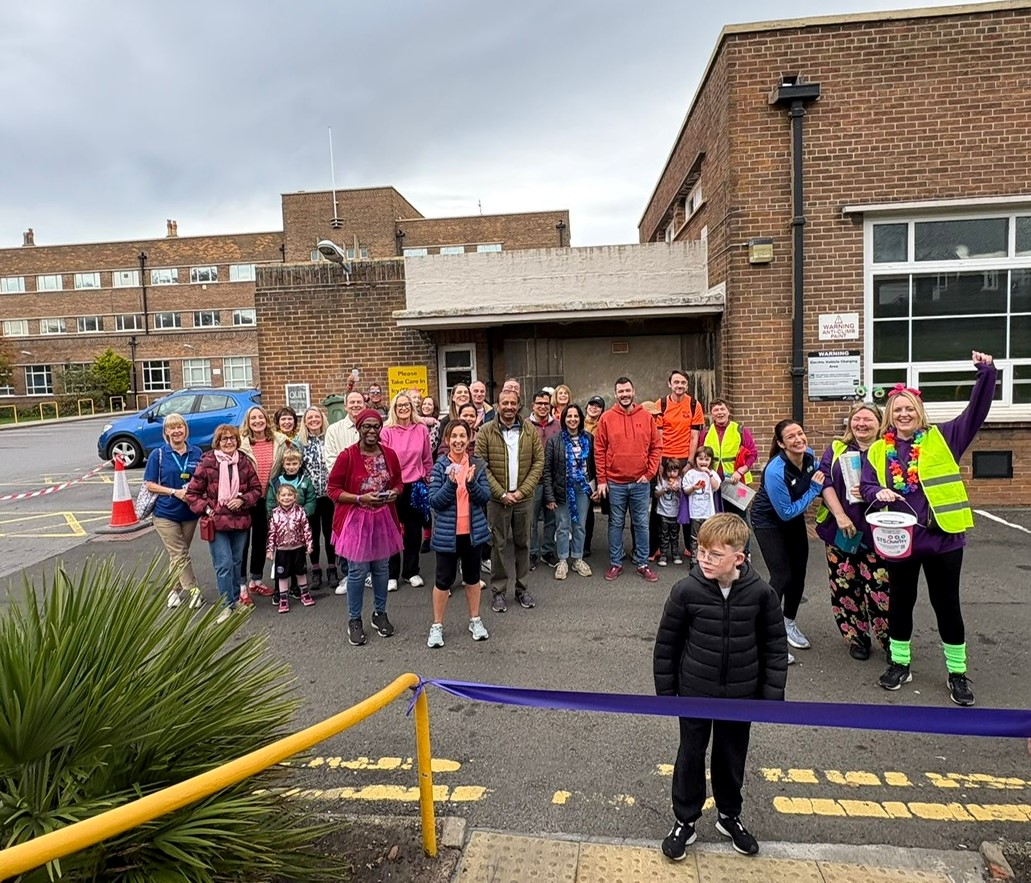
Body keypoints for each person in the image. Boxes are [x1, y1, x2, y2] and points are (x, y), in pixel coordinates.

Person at [862, 352, 997, 706]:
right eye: (897, 410)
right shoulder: (879, 450)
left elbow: (976, 412)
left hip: (943, 538)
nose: (903, 415)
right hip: (900, 541)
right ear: (889, 416)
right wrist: (879, 491)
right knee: (900, 603)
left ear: (919, 412)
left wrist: (987, 373)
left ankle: (956, 672)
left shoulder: (945, 437)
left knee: (947, 605)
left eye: (909, 409)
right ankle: (900, 663)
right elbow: (865, 486)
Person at [653, 514, 788, 860]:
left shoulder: (761, 593)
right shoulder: (686, 590)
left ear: (738, 559)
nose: (704, 559)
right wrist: (667, 695)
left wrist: (771, 697)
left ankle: (730, 816)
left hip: (742, 695)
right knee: (690, 755)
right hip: (695, 692)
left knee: (731, 757)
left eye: (714, 554)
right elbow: (667, 645)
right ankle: (685, 820)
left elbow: (775, 646)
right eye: (701, 551)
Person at [815, 402, 890, 662]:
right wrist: (840, 515)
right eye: (856, 419)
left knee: (881, 589)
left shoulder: (888, 449)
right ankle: (857, 637)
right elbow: (825, 480)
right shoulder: (837, 448)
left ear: (880, 423)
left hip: (878, 532)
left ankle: (889, 640)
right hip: (841, 530)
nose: (861, 424)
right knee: (845, 586)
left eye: (868, 419)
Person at [328, 408, 404, 647]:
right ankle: (354, 619)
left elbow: (399, 483)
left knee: (382, 569)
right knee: (358, 572)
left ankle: (379, 614)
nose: (372, 431)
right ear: (359, 429)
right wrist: (360, 499)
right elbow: (333, 490)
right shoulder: (347, 456)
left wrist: (395, 492)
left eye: (376, 426)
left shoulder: (389, 454)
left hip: (383, 518)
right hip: (356, 520)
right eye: (367, 426)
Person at [751, 420, 826, 661]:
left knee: (799, 573)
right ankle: (766, 629)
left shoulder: (810, 457)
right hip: (769, 521)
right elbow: (785, 511)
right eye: (790, 437)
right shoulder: (775, 470)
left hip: (792, 519)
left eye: (800, 433)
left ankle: (788, 622)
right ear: (781, 444)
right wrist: (814, 490)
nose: (798, 439)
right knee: (782, 575)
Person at [185, 423, 262, 624]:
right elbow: (191, 494)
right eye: (224, 439)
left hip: (241, 520)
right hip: (217, 522)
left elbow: (256, 489)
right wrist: (208, 509)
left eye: (232, 438)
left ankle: (236, 599)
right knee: (224, 564)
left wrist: (243, 500)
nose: (229, 442)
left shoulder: (244, 462)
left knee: (237, 563)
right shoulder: (208, 462)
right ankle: (226, 605)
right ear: (217, 442)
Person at [477, 388, 544, 613]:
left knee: (523, 544)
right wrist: (501, 493)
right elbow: (481, 465)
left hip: (523, 498)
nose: (508, 407)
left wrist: (521, 492)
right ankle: (498, 591)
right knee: (498, 545)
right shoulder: (485, 431)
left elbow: (538, 462)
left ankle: (522, 589)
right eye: (504, 403)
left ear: (518, 405)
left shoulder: (529, 430)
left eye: (512, 403)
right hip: (497, 500)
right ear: (497, 405)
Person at [426, 419, 492, 647]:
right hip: (447, 535)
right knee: (443, 581)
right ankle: (437, 626)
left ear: (469, 438)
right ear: (446, 440)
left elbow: (485, 497)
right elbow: (434, 501)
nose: (458, 440)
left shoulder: (477, 465)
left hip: (472, 534)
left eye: (462, 436)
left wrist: (471, 483)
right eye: (453, 436)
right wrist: (451, 484)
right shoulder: (439, 466)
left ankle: (475, 619)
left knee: (473, 578)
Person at [595, 377, 662, 583]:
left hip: (640, 482)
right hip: (615, 482)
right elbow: (599, 450)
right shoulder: (606, 418)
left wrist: (649, 474)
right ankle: (616, 563)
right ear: (615, 394)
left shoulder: (646, 416)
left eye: (627, 390)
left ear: (634, 392)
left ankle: (642, 563)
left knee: (641, 523)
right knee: (615, 523)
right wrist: (602, 480)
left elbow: (656, 447)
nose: (624, 394)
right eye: (620, 391)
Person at [145, 413, 204, 610]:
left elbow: (203, 479)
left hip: (189, 513)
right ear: (166, 432)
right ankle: (194, 590)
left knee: (178, 555)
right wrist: (174, 492)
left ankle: (172, 591)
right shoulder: (158, 454)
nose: (177, 431)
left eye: (180, 427)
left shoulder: (196, 453)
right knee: (179, 552)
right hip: (165, 513)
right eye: (172, 427)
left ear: (185, 430)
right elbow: (150, 485)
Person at [381, 391, 433, 592]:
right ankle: (392, 574)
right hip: (393, 486)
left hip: (416, 484)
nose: (403, 408)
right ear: (394, 409)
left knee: (413, 531)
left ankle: (411, 571)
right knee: (392, 530)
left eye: (407, 405)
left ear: (412, 408)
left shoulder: (421, 429)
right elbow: (383, 461)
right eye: (399, 405)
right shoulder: (386, 431)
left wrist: (427, 480)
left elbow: (427, 458)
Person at [238, 405, 285, 603]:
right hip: (246, 499)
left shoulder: (279, 441)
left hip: (268, 499)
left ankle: (255, 580)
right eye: (253, 418)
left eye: (261, 417)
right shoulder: (241, 444)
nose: (258, 421)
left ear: (266, 419)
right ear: (248, 422)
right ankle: (241, 585)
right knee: (242, 543)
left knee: (261, 541)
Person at [543, 403, 595, 580]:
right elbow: (547, 470)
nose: (572, 419)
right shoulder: (554, 441)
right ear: (563, 419)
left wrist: (594, 488)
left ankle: (578, 558)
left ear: (580, 419)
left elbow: (593, 466)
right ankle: (563, 560)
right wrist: (549, 496)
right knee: (563, 525)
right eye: (569, 416)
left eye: (576, 416)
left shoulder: (589, 438)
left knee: (580, 525)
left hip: (582, 489)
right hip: (562, 489)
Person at [266, 448, 317, 601]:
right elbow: (270, 502)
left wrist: (303, 514)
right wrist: (273, 516)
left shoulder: (305, 481)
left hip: (298, 528)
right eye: (288, 463)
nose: (291, 466)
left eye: (294, 463)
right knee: (281, 563)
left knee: (297, 561)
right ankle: (278, 590)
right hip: (281, 530)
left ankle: (296, 587)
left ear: (300, 464)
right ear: (283, 464)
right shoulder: (276, 482)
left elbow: (311, 500)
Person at [298, 406, 340, 592]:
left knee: (330, 532)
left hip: (329, 495)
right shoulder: (299, 443)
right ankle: (315, 569)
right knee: (312, 534)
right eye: (310, 418)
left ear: (322, 419)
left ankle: (332, 567)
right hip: (310, 496)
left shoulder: (329, 439)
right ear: (305, 422)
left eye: (317, 417)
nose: (314, 420)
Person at [704, 399, 758, 520]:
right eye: (716, 410)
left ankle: (742, 540)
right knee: (717, 518)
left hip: (737, 482)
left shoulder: (740, 430)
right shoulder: (706, 432)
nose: (720, 413)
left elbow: (753, 453)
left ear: (728, 412)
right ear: (712, 414)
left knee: (739, 518)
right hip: (714, 483)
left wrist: (740, 472)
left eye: (722, 409)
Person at [266, 484, 315, 612]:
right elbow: (271, 533)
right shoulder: (275, 513)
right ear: (278, 497)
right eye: (283, 495)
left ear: (295, 497)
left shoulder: (300, 511)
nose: (286, 498)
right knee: (282, 575)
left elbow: (306, 529)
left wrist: (309, 545)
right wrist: (270, 550)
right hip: (282, 550)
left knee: (300, 572)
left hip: (298, 548)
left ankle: (305, 594)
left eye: (289, 495)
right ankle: (283, 599)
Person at [528, 389, 561, 570]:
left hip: (553, 482)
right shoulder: (524, 425)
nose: (542, 407)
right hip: (531, 482)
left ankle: (548, 550)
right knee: (531, 521)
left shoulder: (557, 425)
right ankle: (532, 552)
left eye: (546, 404)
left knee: (551, 519)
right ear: (533, 405)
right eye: (539, 403)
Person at [682, 445, 721, 560]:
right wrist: (693, 488)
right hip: (695, 512)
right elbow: (686, 490)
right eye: (700, 459)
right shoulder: (691, 474)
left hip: (709, 512)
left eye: (707, 459)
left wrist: (709, 473)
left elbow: (716, 487)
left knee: (710, 537)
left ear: (711, 461)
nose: (703, 462)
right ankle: (694, 559)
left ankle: (708, 558)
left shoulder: (712, 473)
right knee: (695, 537)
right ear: (695, 460)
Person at [582, 395, 606, 557]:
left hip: (594, 471)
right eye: (591, 405)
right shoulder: (578, 422)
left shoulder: (604, 426)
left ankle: (586, 544)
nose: (594, 408)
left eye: (598, 406)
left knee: (588, 510)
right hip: (577, 471)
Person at [653, 458, 686, 567]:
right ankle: (663, 554)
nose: (671, 474)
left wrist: (677, 490)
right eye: (669, 471)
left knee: (675, 535)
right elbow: (656, 494)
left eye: (674, 471)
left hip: (675, 513)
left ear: (679, 471)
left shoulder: (681, 481)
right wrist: (665, 490)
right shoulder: (662, 481)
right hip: (663, 512)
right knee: (664, 535)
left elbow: (685, 495)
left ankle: (675, 553)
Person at [325, 390, 367, 471]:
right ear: (345, 407)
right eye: (352, 402)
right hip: (343, 480)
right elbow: (331, 461)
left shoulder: (372, 429)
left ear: (364, 406)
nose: (355, 405)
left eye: (359, 402)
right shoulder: (333, 430)